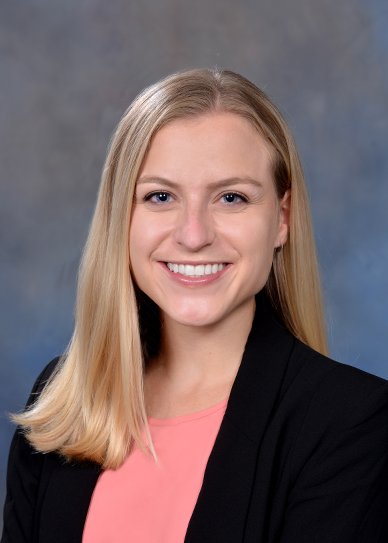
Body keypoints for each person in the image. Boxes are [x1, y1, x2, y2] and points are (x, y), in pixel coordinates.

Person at [2, 68, 388, 543]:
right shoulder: (64, 398)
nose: (193, 235)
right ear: (122, 216)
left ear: (282, 219)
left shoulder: (351, 421)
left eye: (231, 197)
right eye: (160, 196)